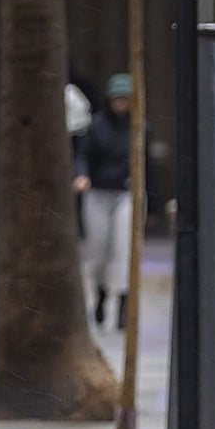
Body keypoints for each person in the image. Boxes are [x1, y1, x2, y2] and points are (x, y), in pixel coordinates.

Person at [73, 72, 140, 330]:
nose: (122, 104)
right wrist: (82, 175)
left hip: (126, 193)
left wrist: (151, 203)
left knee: (124, 249)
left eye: (126, 99)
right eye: (118, 99)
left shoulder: (138, 127)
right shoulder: (96, 126)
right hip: (99, 192)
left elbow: (147, 165)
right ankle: (101, 292)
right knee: (97, 250)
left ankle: (124, 304)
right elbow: (83, 155)